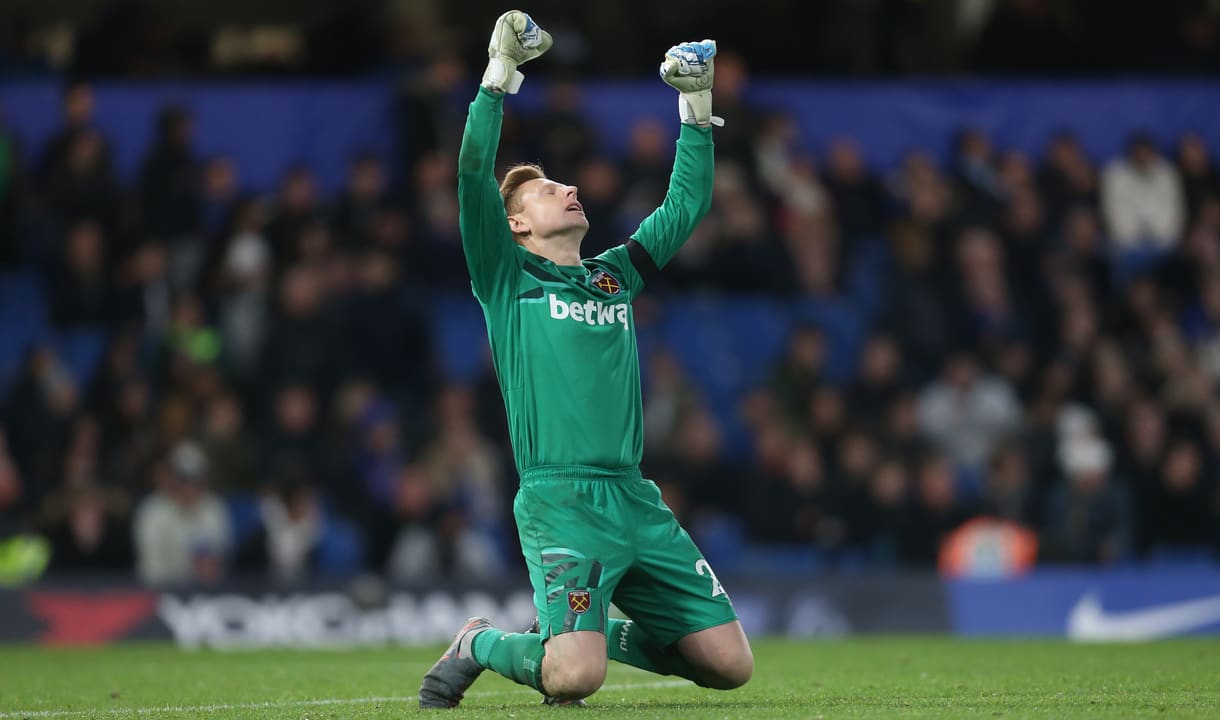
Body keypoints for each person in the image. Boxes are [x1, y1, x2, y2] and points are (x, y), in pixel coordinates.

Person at [419, 10, 752, 709]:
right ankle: (478, 641)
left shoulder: (613, 276)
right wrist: (498, 77)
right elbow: (474, 170)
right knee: (576, 679)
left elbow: (685, 205)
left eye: (565, 185)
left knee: (730, 666)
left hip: (634, 496)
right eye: (547, 190)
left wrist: (695, 106)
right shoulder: (506, 277)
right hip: (562, 499)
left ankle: (587, 627)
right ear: (516, 224)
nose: (568, 189)